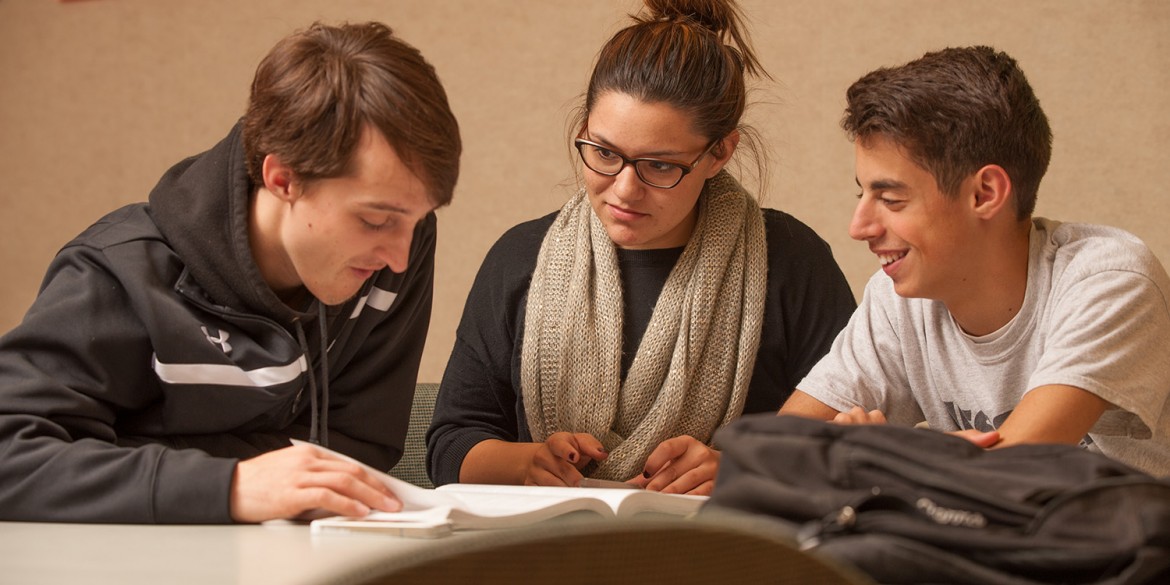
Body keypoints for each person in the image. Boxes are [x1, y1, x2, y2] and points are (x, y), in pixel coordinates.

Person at [0, 21, 462, 523]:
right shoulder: (119, 271)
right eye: (375, 220)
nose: (398, 257)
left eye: (415, 221)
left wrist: (142, 450)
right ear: (282, 177)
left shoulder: (398, 251)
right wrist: (231, 486)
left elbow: (353, 454)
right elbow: (11, 454)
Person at [427, 0, 856, 495]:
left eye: (659, 166)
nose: (624, 190)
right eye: (604, 153)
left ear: (720, 152)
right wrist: (525, 464)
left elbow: (852, 444)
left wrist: (742, 467)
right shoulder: (520, 257)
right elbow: (449, 446)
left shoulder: (791, 262)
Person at [780, 46, 1170, 476]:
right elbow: (781, 447)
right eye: (863, 194)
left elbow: (1006, 472)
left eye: (890, 199)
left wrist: (880, 453)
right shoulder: (897, 300)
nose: (859, 227)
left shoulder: (1110, 281)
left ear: (985, 194)